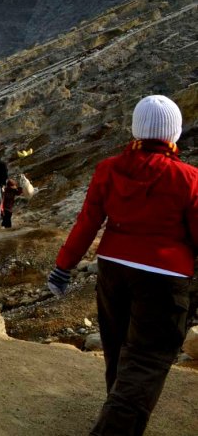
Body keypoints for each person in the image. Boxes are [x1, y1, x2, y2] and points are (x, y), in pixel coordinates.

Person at [47, 95, 197, 436]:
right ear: (174, 133)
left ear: (135, 128)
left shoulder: (109, 168)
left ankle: (116, 413)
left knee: (117, 347)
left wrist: (63, 266)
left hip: (113, 268)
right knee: (148, 358)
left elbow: (87, 222)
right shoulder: (189, 178)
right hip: (164, 276)